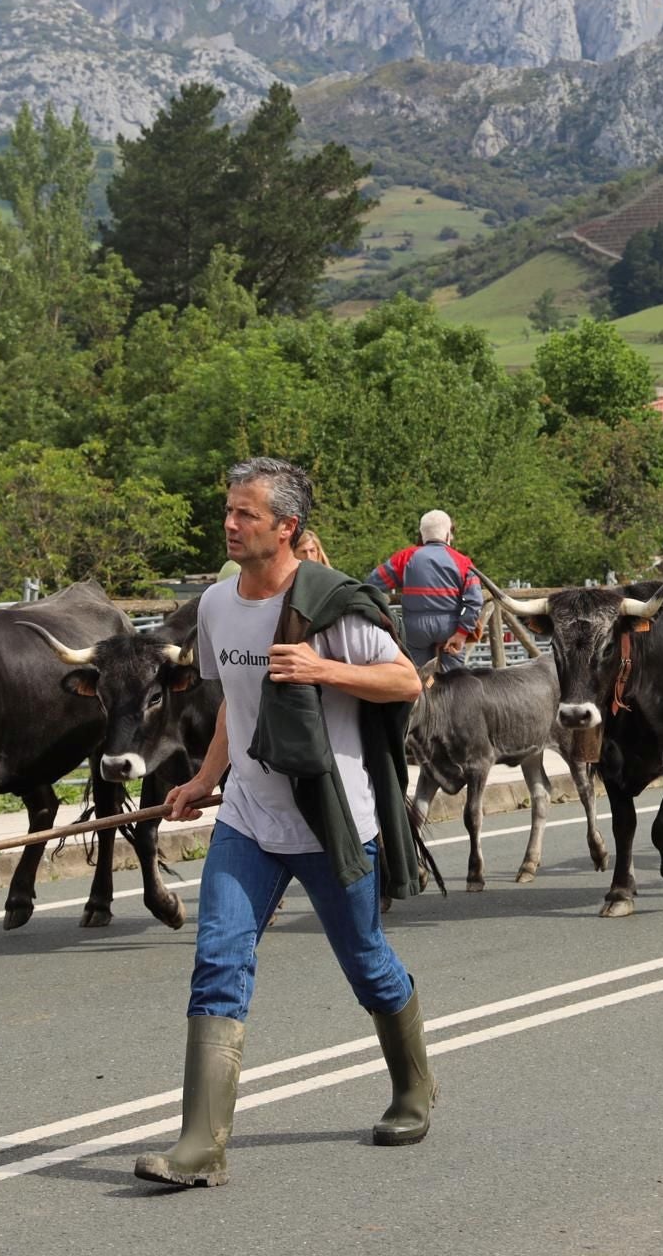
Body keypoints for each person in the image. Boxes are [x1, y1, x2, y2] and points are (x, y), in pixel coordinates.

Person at [139, 457, 434, 1188]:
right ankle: (201, 1146)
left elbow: (406, 680)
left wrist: (322, 669)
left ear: (286, 528)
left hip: (331, 821)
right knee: (218, 962)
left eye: (246, 514)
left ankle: (413, 1088)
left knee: (367, 963)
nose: (230, 524)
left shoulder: (333, 604)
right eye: (229, 511)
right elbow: (242, 704)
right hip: (248, 821)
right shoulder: (214, 605)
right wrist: (206, 778)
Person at [367, 510, 488, 674]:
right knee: (454, 680)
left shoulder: (405, 557)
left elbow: (372, 583)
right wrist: (461, 632)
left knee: (418, 676)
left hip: (415, 629)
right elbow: (474, 601)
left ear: (422, 534)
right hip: (450, 627)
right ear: (447, 534)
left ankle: (424, 694)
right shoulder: (462, 561)